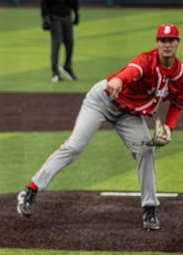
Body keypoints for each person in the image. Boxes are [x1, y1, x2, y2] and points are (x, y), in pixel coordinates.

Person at [17, 23, 183, 230]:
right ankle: (30, 190)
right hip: (102, 101)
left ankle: (150, 209)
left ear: (178, 43)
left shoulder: (179, 74)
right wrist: (118, 81)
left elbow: (178, 102)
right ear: (157, 43)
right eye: (162, 40)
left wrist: (169, 126)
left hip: (128, 115)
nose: (167, 44)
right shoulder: (146, 61)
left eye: (171, 40)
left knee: (146, 151)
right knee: (74, 147)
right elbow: (131, 71)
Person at [41, 0, 79, 83]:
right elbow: (44, 2)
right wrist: (45, 18)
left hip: (67, 16)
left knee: (70, 43)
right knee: (56, 44)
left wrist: (76, 13)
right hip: (55, 17)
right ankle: (55, 73)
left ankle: (67, 67)